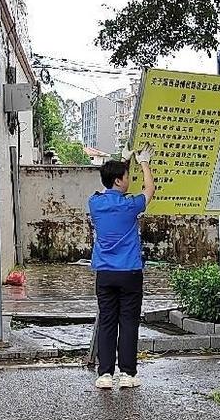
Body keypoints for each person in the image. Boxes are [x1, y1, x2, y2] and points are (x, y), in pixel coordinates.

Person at [89, 143, 155, 389]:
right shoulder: (131, 205)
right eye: (126, 176)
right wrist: (144, 162)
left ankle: (104, 374)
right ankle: (127, 374)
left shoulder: (95, 203)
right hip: (129, 272)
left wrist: (124, 160)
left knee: (107, 320)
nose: (129, 180)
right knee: (128, 322)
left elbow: (110, 185)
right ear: (118, 181)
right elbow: (150, 189)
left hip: (105, 273)